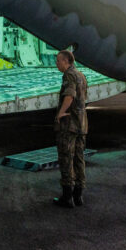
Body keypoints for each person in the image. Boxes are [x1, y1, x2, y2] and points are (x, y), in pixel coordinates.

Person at [53, 48, 88, 208]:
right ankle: (78, 196)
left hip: (70, 125)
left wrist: (61, 113)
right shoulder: (81, 75)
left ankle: (67, 198)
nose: (56, 63)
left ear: (66, 61)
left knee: (66, 158)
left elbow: (69, 95)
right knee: (79, 159)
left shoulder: (69, 75)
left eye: (58, 60)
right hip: (82, 124)